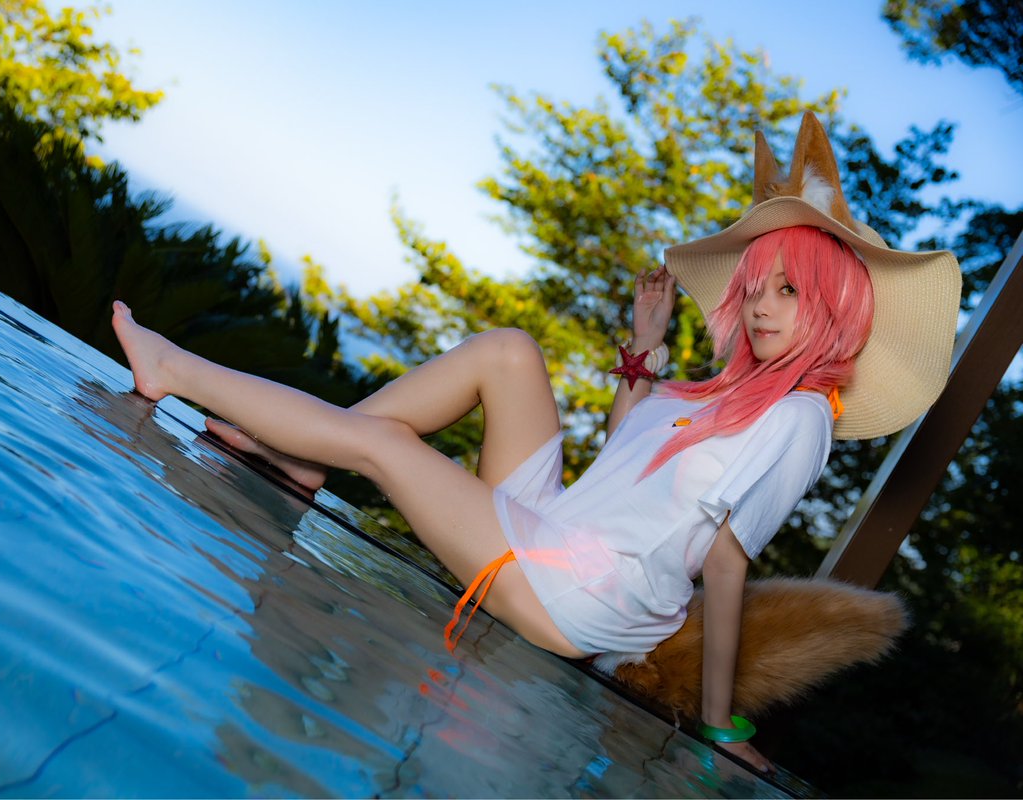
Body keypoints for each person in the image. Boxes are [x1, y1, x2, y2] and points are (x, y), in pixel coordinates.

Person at [110, 112, 960, 773]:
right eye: (759, 286)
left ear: (835, 307)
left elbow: (726, 564)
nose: (765, 306)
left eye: (791, 290)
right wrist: (643, 348)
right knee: (508, 352)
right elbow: (621, 464)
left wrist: (717, 725)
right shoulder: (726, 393)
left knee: (391, 451)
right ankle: (303, 460)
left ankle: (174, 369)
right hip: (560, 528)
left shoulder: (799, 418)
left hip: (583, 594)